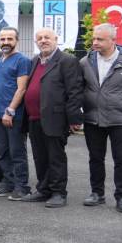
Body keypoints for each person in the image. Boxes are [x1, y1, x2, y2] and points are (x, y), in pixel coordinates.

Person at [80, 23, 122, 214]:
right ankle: (97, 193)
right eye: (94, 38)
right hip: (93, 119)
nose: (95, 42)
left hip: (120, 121)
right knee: (95, 158)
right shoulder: (85, 62)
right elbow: (79, 87)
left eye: (100, 39)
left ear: (113, 40)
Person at [19, 28, 83, 208]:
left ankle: (58, 193)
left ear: (56, 39)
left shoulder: (67, 61)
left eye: (47, 37)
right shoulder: (35, 61)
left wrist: (74, 119)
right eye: (39, 38)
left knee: (55, 157)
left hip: (55, 118)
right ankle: (43, 189)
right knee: (40, 157)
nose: (43, 41)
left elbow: (74, 91)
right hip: (34, 118)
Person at [0, 27, 32, 201]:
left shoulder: (22, 61)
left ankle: (22, 187)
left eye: (10, 39)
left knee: (17, 152)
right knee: (2, 152)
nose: (5, 42)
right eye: (2, 39)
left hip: (13, 116)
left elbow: (22, 89)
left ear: (17, 41)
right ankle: (8, 182)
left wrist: (10, 110)